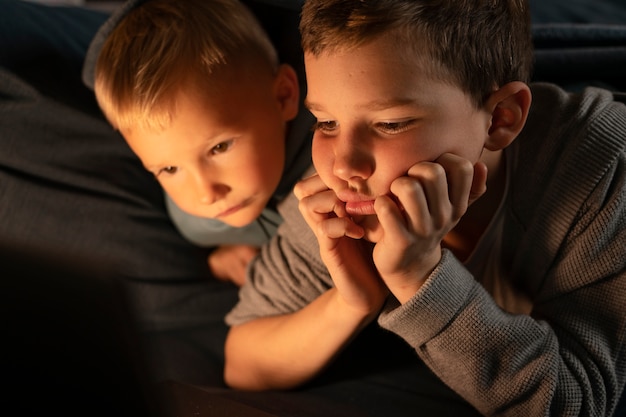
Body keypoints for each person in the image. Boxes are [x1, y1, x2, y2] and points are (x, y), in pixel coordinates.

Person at [223, 0, 626, 415]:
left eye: (391, 123)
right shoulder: (343, 193)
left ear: (500, 118)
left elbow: (576, 404)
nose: (343, 165)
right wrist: (351, 303)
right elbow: (243, 363)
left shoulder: (601, 168)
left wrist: (419, 277)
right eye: (327, 123)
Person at [91, 0, 313, 286]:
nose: (206, 194)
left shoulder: (337, 154)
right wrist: (226, 251)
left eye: (219, 148)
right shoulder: (198, 224)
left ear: (284, 96)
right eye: (170, 169)